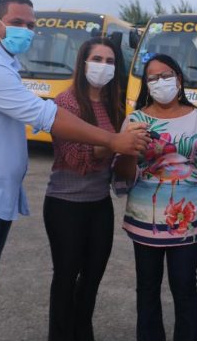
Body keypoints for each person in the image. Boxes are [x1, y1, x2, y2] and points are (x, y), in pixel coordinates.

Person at [0, 0, 149, 341]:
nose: (26, 31)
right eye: (17, 23)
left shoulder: (5, 64)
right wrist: (113, 141)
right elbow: (46, 116)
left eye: (31, 25)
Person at [113, 53, 197, 341]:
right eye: (153, 77)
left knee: (185, 286)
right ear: (146, 83)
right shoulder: (135, 120)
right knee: (147, 287)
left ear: (179, 79)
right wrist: (129, 147)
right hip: (145, 219)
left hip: (188, 220)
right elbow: (123, 173)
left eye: (166, 75)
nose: (160, 82)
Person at [45, 37, 130, 341]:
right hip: (65, 204)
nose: (103, 66)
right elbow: (75, 156)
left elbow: (118, 159)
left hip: (99, 203)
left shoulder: (113, 106)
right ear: (83, 63)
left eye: (110, 61)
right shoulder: (65, 103)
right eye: (97, 59)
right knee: (66, 275)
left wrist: (129, 148)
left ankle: (83, 331)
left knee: (93, 277)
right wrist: (115, 143)